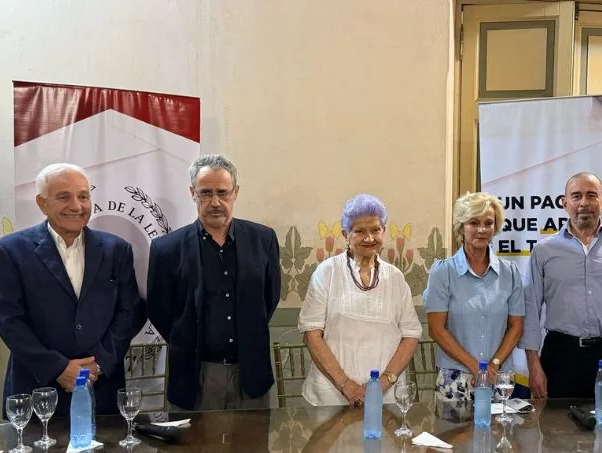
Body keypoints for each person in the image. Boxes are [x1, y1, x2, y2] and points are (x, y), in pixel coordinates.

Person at [0, 163, 144, 416]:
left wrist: (98, 364)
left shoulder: (117, 250)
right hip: (36, 391)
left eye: (83, 196)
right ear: (42, 203)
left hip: (101, 389)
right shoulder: (9, 251)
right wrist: (58, 368)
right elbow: (9, 321)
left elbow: (129, 313)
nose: (77, 206)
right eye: (64, 197)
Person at [147, 154, 281, 410]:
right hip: (194, 375)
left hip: (251, 375)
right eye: (206, 193)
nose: (215, 202)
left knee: (254, 434)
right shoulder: (166, 249)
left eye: (222, 192)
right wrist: (186, 339)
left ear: (235, 192)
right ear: (192, 193)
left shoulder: (263, 239)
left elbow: (269, 298)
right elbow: (159, 310)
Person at [519, 172, 602, 399]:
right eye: (576, 196)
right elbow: (530, 310)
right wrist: (533, 364)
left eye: (591, 195)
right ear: (564, 203)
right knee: (557, 422)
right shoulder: (543, 251)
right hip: (560, 356)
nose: (584, 203)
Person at [298, 194, 421, 406]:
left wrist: (382, 384)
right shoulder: (327, 272)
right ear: (346, 234)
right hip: (331, 397)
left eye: (375, 230)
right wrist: (346, 385)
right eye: (360, 231)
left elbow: (410, 334)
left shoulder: (396, 277)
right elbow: (312, 334)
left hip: (386, 397)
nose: (369, 238)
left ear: (383, 231)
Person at [424, 192, 524, 406]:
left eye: (488, 223)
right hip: (456, 377)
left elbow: (516, 326)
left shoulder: (510, 272)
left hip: (499, 378)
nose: (482, 229)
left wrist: (493, 366)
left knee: (500, 429)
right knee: (454, 429)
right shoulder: (443, 272)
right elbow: (436, 329)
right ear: (461, 227)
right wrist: (476, 368)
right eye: (474, 222)